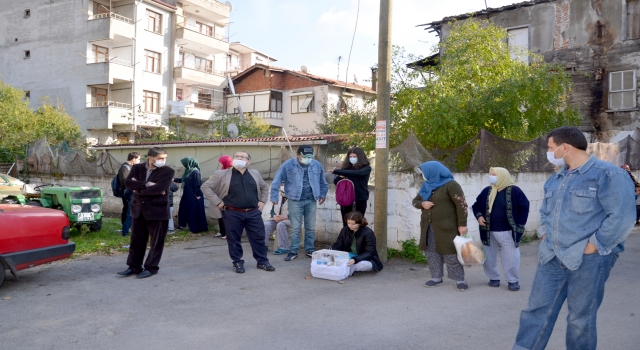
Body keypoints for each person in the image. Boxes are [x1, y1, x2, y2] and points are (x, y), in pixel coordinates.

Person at [513, 126, 636, 350]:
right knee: (534, 313)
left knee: (580, 320)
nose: (549, 152)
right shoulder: (556, 178)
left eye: (551, 148)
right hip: (551, 256)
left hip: (588, 261)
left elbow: (623, 217)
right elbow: (545, 212)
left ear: (565, 147)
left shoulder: (608, 175)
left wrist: (593, 247)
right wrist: (544, 233)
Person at [201, 151, 275, 273]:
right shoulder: (221, 174)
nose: (239, 158)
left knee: (259, 237)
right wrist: (218, 202)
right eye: (237, 156)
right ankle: (237, 262)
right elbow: (205, 187)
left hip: (253, 212)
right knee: (234, 239)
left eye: (242, 157)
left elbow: (264, 187)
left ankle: (262, 262)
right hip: (232, 213)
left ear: (248, 162)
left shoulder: (254, 173)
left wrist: (262, 200)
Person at [117, 147, 175, 279]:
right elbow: (128, 183)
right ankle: (134, 266)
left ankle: (151, 268)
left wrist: (139, 189)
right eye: (160, 158)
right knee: (136, 240)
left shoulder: (168, 171)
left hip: (157, 211)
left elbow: (160, 188)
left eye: (165, 158)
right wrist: (148, 184)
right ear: (150, 158)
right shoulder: (137, 168)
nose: (163, 161)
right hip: (138, 210)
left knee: (156, 241)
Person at [412, 161, 469, 291]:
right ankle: (436, 277)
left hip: (447, 228)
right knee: (431, 253)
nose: (423, 176)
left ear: (433, 171)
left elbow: (462, 205)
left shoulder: (451, 185)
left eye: (424, 172)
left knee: (451, 254)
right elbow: (415, 201)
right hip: (428, 227)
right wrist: (422, 204)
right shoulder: (426, 186)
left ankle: (460, 279)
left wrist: (462, 225)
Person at [471, 167, 529, 291]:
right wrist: (479, 216)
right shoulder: (487, 190)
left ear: (503, 176)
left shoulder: (514, 191)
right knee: (489, 254)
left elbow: (524, 207)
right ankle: (493, 278)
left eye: (494, 174)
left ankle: (512, 280)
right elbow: (476, 205)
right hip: (487, 230)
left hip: (507, 230)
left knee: (511, 255)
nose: (491, 176)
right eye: (491, 174)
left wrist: (520, 225)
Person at [270, 145, 328, 261]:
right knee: (295, 227)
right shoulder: (288, 165)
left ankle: (310, 249)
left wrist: (322, 194)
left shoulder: (317, 165)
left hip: (311, 200)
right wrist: (274, 196)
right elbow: (276, 181)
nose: (308, 159)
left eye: (310, 156)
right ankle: (293, 251)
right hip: (295, 200)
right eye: (305, 156)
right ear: (298, 155)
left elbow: (323, 181)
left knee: (310, 227)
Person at [329, 211, 383, 277]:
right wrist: (330, 250)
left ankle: (343, 271)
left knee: (363, 265)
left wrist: (355, 259)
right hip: (348, 256)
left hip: (365, 259)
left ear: (360, 223)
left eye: (353, 224)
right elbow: (338, 244)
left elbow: (370, 252)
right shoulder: (345, 230)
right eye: (348, 223)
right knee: (331, 259)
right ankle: (343, 269)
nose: (350, 226)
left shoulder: (368, 233)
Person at [330, 147, 372, 226]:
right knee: (346, 223)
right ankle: (346, 238)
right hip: (346, 199)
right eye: (350, 157)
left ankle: (357, 238)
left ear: (360, 157)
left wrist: (337, 171)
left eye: (354, 157)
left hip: (360, 199)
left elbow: (358, 173)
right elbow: (336, 182)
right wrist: (340, 176)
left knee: (358, 223)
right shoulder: (345, 169)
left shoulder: (366, 168)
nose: (352, 158)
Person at [174, 157, 208, 233]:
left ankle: (195, 228)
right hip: (187, 195)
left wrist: (197, 194)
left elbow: (197, 184)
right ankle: (183, 225)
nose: (184, 165)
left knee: (193, 211)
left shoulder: (195, 172)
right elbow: (184, 179)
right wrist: (174, 179)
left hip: (194, 196)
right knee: (184, 209)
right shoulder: (188, 171)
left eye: (185, 163)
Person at [117, 152, 140, 236]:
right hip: (128, 192)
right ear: (133, 159)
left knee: (128, 210)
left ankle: (126, 228)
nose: (139, 161)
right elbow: (124, 181)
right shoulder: (125, 168)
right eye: (138, 159)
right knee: (128, 211)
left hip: (131, 191)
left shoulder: (131, 167)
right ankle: (125, 229)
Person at [265, 184, 290, 255]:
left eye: (284, 183)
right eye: (281, 184)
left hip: (290, 219)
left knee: (280, 225)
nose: (282, 185)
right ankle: (264, 245)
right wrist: (274, 216)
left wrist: (284, 217)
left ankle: (284, 247)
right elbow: (272, 210)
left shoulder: (295, 196)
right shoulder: (277, 196)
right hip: (277, 219)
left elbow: (297, 214)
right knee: (266, 225)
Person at [215, 155, 233, 239]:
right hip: (220, 196)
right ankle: (222, 232)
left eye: (221, 162)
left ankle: (227, 233)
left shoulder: (232, 171)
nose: (220, 163)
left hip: (229, 197)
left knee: (227, 216)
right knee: (220, 215)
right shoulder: (221, 171)